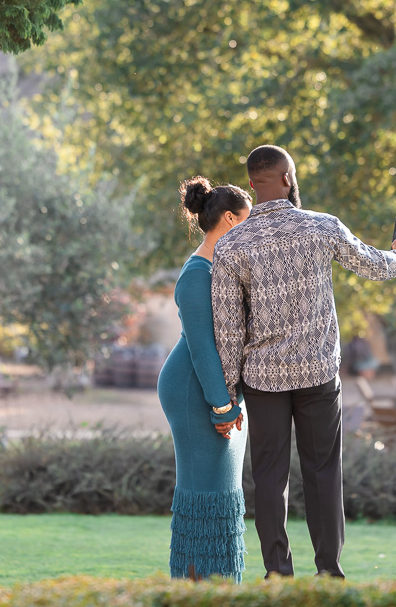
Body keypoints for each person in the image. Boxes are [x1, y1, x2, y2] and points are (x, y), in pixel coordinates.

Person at [210, 145, 396, 579]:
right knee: (323, 473)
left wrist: (225, 396)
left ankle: (278, 574)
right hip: (318, 374)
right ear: (288, 178)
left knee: (269, 477)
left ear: (251, 184)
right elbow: (378, 266)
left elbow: (227, 330)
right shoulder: (322, 227)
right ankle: (329, 573)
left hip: (263, 380)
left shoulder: (230, 246)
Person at [157, 175, 252, 582]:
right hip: (194, 390)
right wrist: (222, 406)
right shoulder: (197, 274)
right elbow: (201, 347)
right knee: (203, 496)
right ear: (230, 220)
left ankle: (221, 588)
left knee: (224, 495)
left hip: (217, 391)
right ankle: (195, 588)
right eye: (248, 222)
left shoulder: (223, 267)